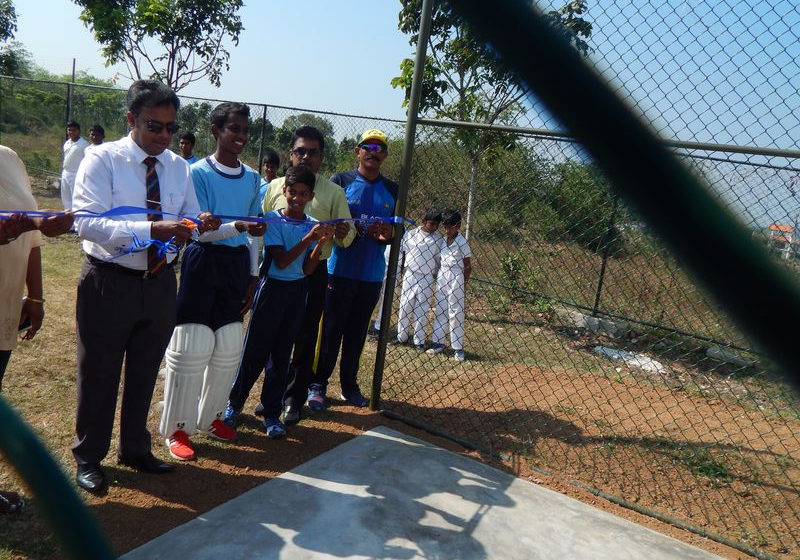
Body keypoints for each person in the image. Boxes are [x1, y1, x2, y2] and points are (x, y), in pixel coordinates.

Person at [70, 80, 217, 494]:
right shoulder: (102, 159)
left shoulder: (178, 167)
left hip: (158, 284)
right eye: (155, 126)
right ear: (131, 119)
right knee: (99, 373)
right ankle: (89, 457)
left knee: (145, 369)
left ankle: (135, 448)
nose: (165, 136)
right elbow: (87, 222)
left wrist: (195, 224)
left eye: (171, 127)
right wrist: (153, 229)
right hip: (108, 282)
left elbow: (188, 217)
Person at [159, 102, 266, 461]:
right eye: (234, 129)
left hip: (236, 266)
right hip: (203, 261)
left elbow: (253, 231)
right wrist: (237, 227)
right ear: (216, 130)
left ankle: (212, 417)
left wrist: (253, 274)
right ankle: (177, 428)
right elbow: (200, 232)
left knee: (228, 345)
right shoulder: (198, 172)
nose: (241, 136)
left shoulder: (253, 179)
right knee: (191, 344)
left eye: (245, 130)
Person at [240, 126, 353, 426]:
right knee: (266, 337)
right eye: (300, 151)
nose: (306, 157)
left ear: (321, 157)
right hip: (274, 272)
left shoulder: (334, 192)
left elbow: (348, 235)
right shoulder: (274, 187)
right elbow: (258, 227)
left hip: (312, 271)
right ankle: (264, 399)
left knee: (304, 337)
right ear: (290, 154)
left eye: (312, 152)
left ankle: (292, 399)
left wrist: (343, 232)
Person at [225, 165, 333, 437]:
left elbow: (307, 269)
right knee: (255, 352)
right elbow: (282, 261)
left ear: (311, 196)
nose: (297, 198)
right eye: (293, 192)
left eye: (303, 194)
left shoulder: (311, 224)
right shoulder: (272, 219)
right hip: (271, 289)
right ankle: (234, 405)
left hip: (296, 293)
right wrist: (309, 238)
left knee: (282, 355)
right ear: (284, 191)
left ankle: (272, 413)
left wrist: (321, 243)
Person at [0, 145, 74, 513]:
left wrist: (36, 296)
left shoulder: (10, 158)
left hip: (5, 303)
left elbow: (32, 238)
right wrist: (24, 225)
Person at [309, 129, 398, 409]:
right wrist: (355, 229)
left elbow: (399, 228)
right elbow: (328, 219)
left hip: (371, 274)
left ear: (385, 155)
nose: (373, 152)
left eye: (379, 148)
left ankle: (349, 386)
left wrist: (390, 233)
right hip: (339, 270)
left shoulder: (393, 189)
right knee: (331, 330)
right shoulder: (341, 182)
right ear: (357, 151)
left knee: (357, 333)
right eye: (367, 146)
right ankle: (317, 385)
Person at [394, 209, 443, 350]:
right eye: (431, 224)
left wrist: (433, 273)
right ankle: (401, 337)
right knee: (405, 305)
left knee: (422, 308)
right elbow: (403, 252)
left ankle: (419, 341)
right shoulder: (411, 234)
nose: (433, 227)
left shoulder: (438, 240)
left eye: (436, 225)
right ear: (424, 222)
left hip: (426, 277)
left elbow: (438, 259)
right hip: (410, 273)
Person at [427, 210, 472, 361]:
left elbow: (468, 266)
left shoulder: (462, 242)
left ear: (457, 227)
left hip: (456, 275)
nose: (447, 230)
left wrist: (463, 283)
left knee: (455, 312)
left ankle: (457, 348)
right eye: (445, 227)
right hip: (443, 274)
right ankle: (438, 342)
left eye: (450, 227)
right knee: (441, 308)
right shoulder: (442, 241)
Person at [60, 120, 89, 210]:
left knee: (76, 197)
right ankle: (67, 214)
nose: (71, 132)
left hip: (76, 173)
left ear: (79, 131)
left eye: (74, 130)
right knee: (65, 197)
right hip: (65, 173)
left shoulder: (84, 144)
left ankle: (77, 215)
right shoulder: (67, 143)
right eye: (69, 130)